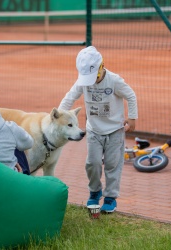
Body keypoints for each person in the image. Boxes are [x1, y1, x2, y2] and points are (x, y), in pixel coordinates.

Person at [58, 46, 138, 213]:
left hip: (115, 130)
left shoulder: (114, 80)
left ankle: (110, 197)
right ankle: (95, 192)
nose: (92, 81)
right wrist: (58, 116)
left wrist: (132, 117)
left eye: (94, 76)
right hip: (94, 130)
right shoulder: (82, 82)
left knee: (112, 164)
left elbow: (130, 95)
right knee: (92, 163)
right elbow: (70, 97)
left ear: (102, 67)